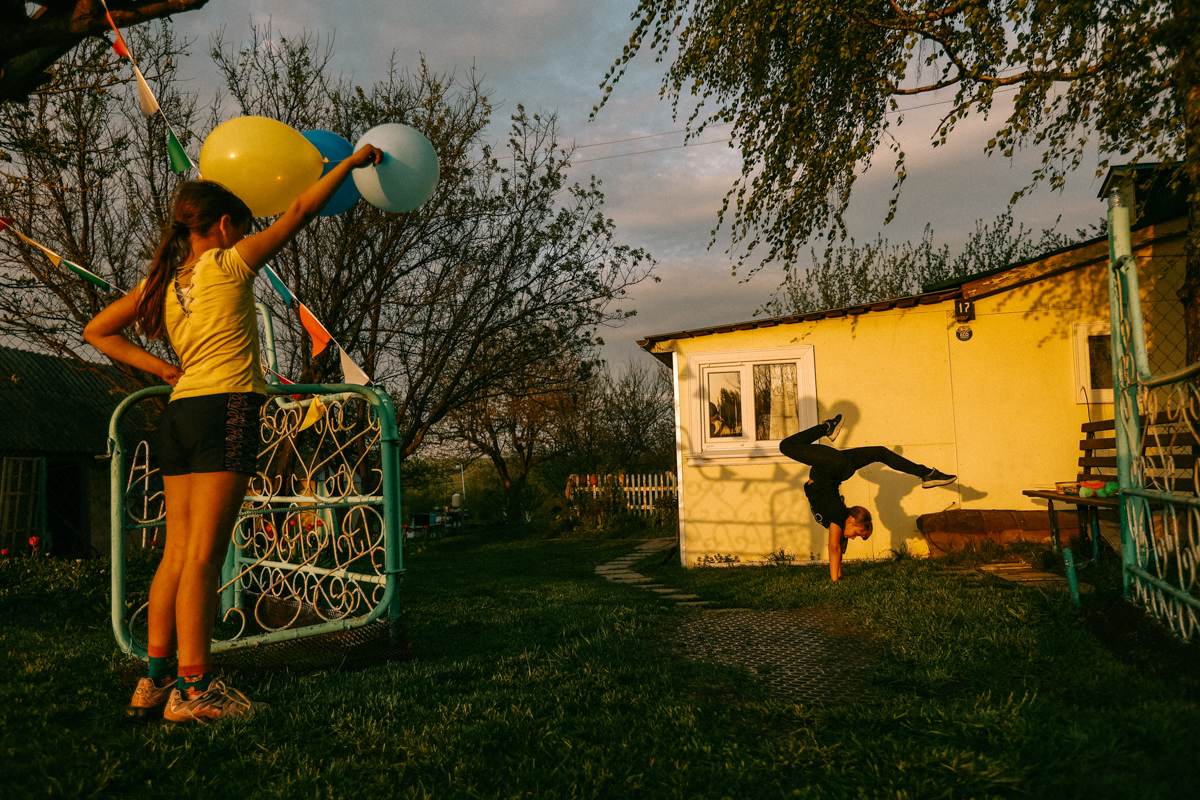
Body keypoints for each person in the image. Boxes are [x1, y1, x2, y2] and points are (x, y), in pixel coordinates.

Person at [84, 143, 383, 722]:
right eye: (243, 228)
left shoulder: (165, 283)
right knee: (204, 557)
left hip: (179, 416)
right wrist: (347, 165)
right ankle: (195, 691)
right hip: (226, 410)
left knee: (176, 556)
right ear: (224, 226)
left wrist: (163, 369)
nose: (245, 236)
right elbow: (299, 212)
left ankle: (153, 683)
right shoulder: (229, 262)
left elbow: (97, 330)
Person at [780, 414, 956, 582]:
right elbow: (834, 548)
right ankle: (827, 427)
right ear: (853, 520)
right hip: (831, 466)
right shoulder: (838, 515)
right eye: (858, 533)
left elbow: (838, 547)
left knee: (880, 452)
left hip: (839, 469)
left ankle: (928, 474)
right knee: (786, 446)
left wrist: (839, 575)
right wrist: (835, 580)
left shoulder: (837, 518)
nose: (854, 538)